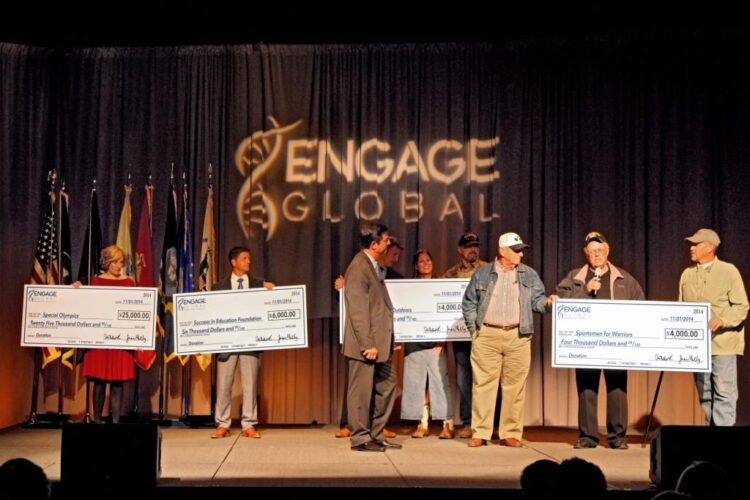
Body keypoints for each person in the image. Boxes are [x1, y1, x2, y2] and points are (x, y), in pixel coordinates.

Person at [462, 232, 556, 447]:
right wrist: (474, 331)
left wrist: (548, 303)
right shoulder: (483, 273)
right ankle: (481, 432)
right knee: (483, 385)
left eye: (521, 250)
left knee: (514, 386)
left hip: (518, 336)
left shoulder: (529, 274)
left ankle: (510, 432)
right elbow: (469, 302)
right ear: (502, 251)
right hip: (487, 335)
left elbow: (537, 302)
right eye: (516, 250)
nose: (521, 254)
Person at [555, 231, 645, 449]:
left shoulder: (624, 279)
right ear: (585, 254)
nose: (596, 254)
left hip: (616, 342)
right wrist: (585, 291)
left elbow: (641, 307)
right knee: (587, 389)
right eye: (591, 251)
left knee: (617, 388)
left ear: (607, 251)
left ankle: (617, 437)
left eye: (600, 250)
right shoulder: (575, 277)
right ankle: (588, 437)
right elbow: (560, 302)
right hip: (586, 342)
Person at [333, 236, 403, 439]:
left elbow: (380, 307)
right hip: (367, 344)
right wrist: (367, 344)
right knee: (361, 392)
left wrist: (389, 338)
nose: (388, 244)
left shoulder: (373, 266)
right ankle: (360, 437)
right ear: (374, 244)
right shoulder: (359, 267)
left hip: (381, 341)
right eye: (385, 241)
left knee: (388, 383)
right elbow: (359, 311)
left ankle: (376, 433)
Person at [679, 228, 748, 427]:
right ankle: (710, 435)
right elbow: (681, 308)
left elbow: (742, 306)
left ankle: (722, 439)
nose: (691, 248)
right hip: (697, 348)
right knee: (705, 394)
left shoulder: (729, 271)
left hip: (722, 345)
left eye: (696, 244)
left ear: (710, 247)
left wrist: (723, 320)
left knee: (724, 394)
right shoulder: (687, 274)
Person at [211, 246, 274, 439]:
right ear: (234, 262)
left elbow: (271, 306)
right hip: (226, 343)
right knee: (223, 385)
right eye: (245, 258)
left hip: (250, 342)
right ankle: (222, 424)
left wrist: (271, 292)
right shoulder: (218, 287)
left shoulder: (259, 285)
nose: (249, 261)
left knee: (250, 384)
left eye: (249, 258)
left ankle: (249, 424)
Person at [74, 245, 137, 424]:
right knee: (99, 383)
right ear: (107, 262)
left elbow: (135, 308)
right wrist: (76, 290)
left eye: (121, 262)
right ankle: (97, 422)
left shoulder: (129, 283)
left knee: (117, 383)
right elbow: (86, 306)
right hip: (99, 340)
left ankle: (115, 424)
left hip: (120, 340)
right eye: (115, 262)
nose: (119, 266)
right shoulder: (95, 282)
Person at [401, 249, 454, 439]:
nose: (425, 263)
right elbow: (402, 312)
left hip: (436, 342)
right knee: (416, 383)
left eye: (428, 260)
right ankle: (422, 424)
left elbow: (447, 314)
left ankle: (447, 424)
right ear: (416, 266)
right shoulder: (409, 287)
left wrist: (442, 340)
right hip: (414, 342)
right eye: (421, 261)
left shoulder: (441, 285)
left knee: (440, 382)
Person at [440, 231, 487, 438]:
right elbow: (438, 300)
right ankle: (468, 422)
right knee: (464, 378)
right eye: (468, 247)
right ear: (460, 250)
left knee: (486, 378)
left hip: (484, 332)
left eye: (476, 246)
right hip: (460, 335)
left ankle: (488, 423)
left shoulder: (488, 270)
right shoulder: (449, 275)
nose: (473, 249)